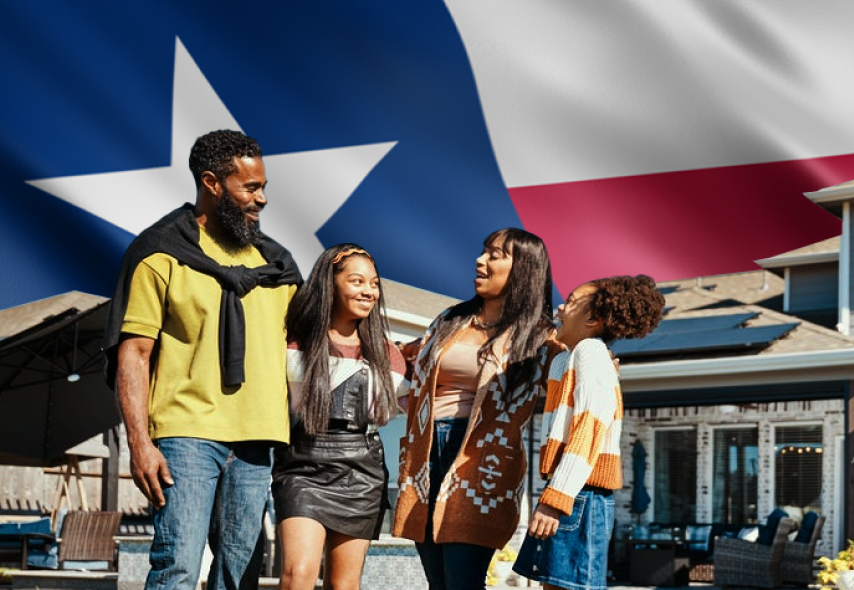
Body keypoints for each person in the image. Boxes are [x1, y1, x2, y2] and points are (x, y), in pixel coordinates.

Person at [103, 129, 301, 590]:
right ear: (212, 183)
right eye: (250, 188)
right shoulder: (160, 253)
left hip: (258, 437)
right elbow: (134, 352)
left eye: (264, 187)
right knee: (177, 568)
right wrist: (139, 442)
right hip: (185, 435)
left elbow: (312, 342)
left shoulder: (277, 265)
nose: (263, 199)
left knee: (240, 575)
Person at [394, 228, 556, 590]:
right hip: (425, 456)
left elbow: (572, 382)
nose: (481, 260)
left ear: (523, 269)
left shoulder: (539, 336)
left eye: (496, 254)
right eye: (483, 251)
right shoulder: (449, 320)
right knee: (438, 583)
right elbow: (406, 359)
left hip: (481, 465)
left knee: (462, 582)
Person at [512, 275, 664, 590]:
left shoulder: (591, 353)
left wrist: (556, 499)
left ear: (593, 319)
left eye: (571, 301)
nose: (561, 306)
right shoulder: (570, 358)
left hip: (579, 495)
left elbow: (588, 430)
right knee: (552, 585)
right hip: (571, 491)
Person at [273, 244, 407, 590]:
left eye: (374, 283)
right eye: (357, 281)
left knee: (345, 585)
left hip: (361, 473)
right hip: (303, 467)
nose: (368, 291)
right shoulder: (291, 345)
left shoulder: (387, 354)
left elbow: (389, 411)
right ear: (331, 284)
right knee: (296, 574)